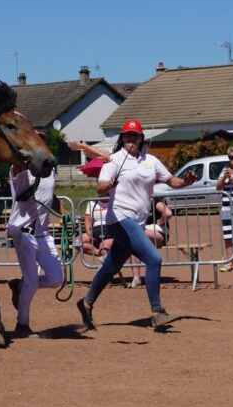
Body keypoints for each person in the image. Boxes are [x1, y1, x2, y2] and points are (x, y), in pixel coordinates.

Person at [76, 118, 195, 330]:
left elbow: (172, 181)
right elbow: (101, 188)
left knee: (111, 266)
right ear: (122, 138)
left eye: (135, 135)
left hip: (136, 222)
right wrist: (108, 185)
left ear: (141, 139)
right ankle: (157, 312)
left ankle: (86, 303)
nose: (131, 138)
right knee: (154, 259)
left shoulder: (151, 161)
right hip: (119, 219)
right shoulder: (113, 160)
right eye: (128, 135)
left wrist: (185, 181)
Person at [6, 163, 63, 339]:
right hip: (24, 233)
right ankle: (22, 325)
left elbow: (49, 195)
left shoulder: (50, 171)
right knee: (32, 283)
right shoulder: (22, 172)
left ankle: (19, 286)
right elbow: (17, 166)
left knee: (56, 279)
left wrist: (63, 212)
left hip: (43, 235)